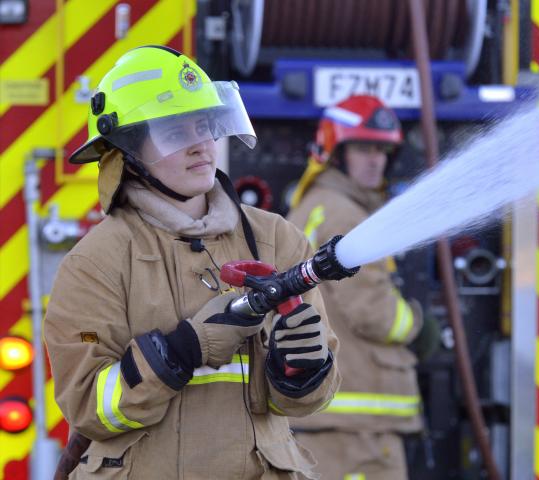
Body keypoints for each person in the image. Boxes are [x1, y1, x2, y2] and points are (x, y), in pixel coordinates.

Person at [44, 45, 340, 480]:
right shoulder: (96, 261)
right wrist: (185, 348)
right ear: (127, 151)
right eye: (175, 132)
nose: (202, 146)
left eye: (204, 126)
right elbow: (90, 407)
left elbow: (303, 404)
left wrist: (300, 370)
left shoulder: (275, 238)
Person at [287, 95, 439, 479]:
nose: (377, 160)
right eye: (364, 148)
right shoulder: (345, 214)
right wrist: (418, 326)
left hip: (326, 415)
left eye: (383, 151)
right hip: (358, 423)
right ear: (336, 154)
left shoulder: (313, 206)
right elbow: (373, 312)